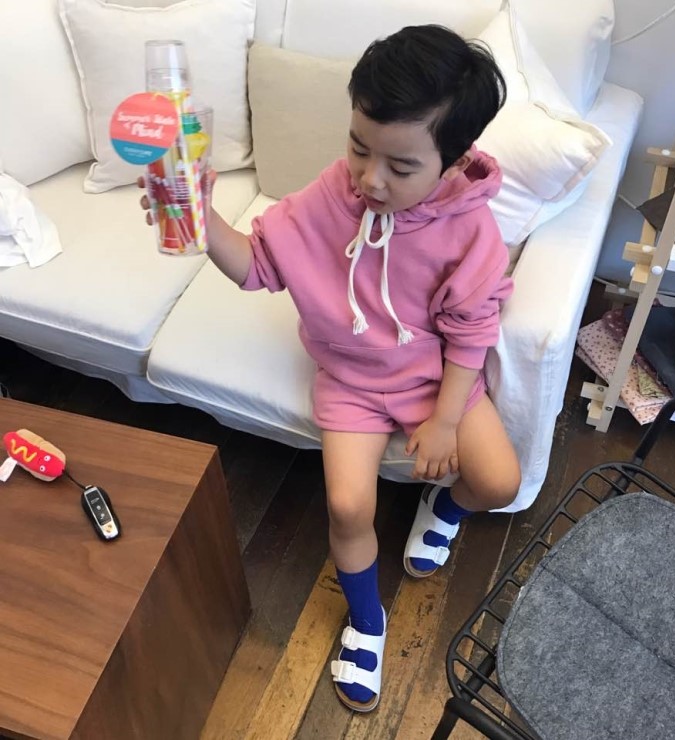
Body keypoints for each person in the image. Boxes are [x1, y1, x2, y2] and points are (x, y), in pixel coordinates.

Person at [139, 24, 520, 713]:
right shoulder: (336, 192)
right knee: (347, 505)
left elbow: (472, 334)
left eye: (401, 166)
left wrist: (444, 422)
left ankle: (442, 509)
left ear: (454, 160)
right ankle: (368, 620)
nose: (370, 179)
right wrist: (198, 219)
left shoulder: (471, 229)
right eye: (358, 148)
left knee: (499, 482)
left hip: (435, 378)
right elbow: (258, 263)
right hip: (351, 378)